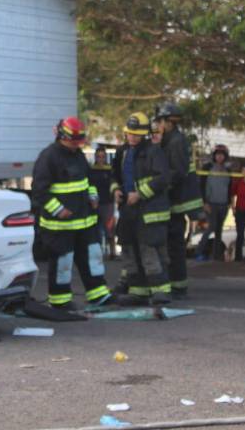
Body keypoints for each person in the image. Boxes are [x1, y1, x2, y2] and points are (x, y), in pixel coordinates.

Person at [30, 117, 114, 310]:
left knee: (93, 256)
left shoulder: (78, 155)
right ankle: (60, 300)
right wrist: (59, 210)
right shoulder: (48, 157)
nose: (77, 144)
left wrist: (93, 197)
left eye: (79, 140)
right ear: (61, 136)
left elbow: (88, 181)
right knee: (63, 262)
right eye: (73, 140)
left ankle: (98, 294)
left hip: (84, 221)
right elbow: (39, 192)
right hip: (60, 226)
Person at [111, 112, 172, 306]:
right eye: (130, 133)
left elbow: (163, 178)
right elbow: (114, 176)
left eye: (137, 134)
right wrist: (116, 190)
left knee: (149, 250)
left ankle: (160, 291)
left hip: (149, 209)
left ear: (145, 134)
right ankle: (138, 291)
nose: (133, 137)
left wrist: (140, 194)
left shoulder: (153, 151)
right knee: (129, 248)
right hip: (128, 209)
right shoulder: (122, 152)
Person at [154, 103, 203, 299]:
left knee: (174, 245)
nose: (158, 125)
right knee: (172, 244)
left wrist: (159, 182)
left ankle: (178, 286)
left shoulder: (175, 142)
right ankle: (176, 284)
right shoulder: (170, 139)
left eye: (160, 122)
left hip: (177, 201)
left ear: (168, 122)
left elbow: (178, 172)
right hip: (174, 200)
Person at [196, 144, 232, 261]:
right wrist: (205, 202)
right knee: (211, 227)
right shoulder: (207, 168)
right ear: (214, 155)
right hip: (211, 203)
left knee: (219, 230)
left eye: (222, 155)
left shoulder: (228, 170)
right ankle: (198, 251)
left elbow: (230, 187)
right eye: (218, 154)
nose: (220, 157)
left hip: (223, 204)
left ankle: (216, 256)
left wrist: (229, 202)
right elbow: (201, 185)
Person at [89, 147, 117, 259]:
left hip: (108, 203)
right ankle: (98, 253)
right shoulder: (91, 170)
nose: (100, 159)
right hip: (95, 204)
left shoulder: (110, 170)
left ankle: (112, 252)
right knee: (96, 231)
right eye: (98, 156)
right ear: (95, 157)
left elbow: (114, 184)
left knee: (110, 229)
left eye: (103, 156)